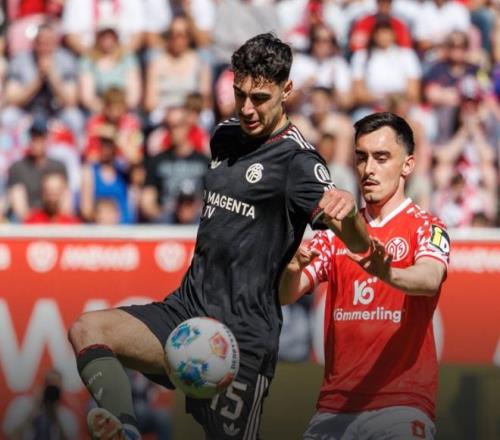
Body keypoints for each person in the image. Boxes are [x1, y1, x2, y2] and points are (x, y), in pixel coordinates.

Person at [68, 33, 371, 440]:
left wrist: (349, 212)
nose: (246, 108)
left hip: (241, 338)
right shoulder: (224, 135)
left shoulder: (298, 162)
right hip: (185, 316)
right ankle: (126, 427)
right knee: (87, 329)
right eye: (239, 94)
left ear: (287, 90)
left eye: (259, 98)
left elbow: (357, 243)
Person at [280, 112, 450, 440]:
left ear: (407, 165)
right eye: (361, 158)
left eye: (381, 158)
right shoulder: (336, 234)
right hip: (333, 407)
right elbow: (286, 294)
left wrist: (388, 273)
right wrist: (291, 269)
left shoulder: (427, 226)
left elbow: (430, 279)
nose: (368, 169)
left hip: (401, 405)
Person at [2, 369, 79, 440]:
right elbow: (11, 436)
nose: (51, 391)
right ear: (41, 385)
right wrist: (33, 409)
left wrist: (55, 414)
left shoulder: (66, 416)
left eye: (55, 388)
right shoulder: (22, 405)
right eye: (48, 384)